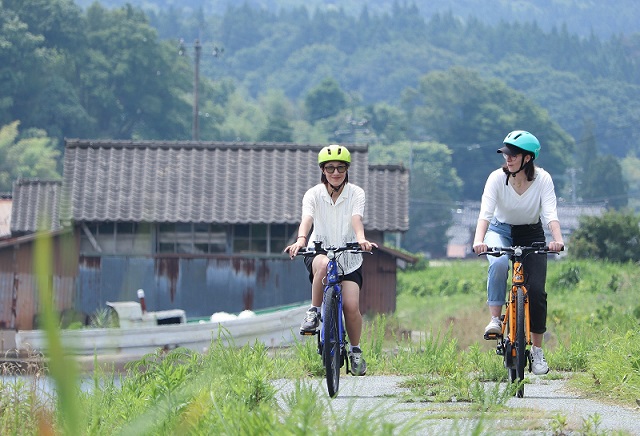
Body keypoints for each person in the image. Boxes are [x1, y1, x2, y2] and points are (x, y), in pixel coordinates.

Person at [472, 130, 564, 375]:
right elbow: (485, 214)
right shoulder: (496, 178)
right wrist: (478, 240)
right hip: (500, 231)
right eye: (506, 154)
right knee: (500, 263)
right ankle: (495, 319)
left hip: (531, 234)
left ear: (527, 158)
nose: (508, 159)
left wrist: (557, 239)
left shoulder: (543, 179)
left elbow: (550, 214)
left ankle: (537, 351)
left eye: (513, 155)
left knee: (536, 291)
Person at [284, 144, 377, 376]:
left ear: (347, 169)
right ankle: (314, 312)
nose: (336, 172)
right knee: (324, 265)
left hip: (349, 255)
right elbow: (307, 218)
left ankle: (355, 352)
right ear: (322, 170)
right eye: (330, 168)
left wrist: (361, 239)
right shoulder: (313, 194)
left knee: (351, 306)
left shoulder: (356, 193)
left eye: (340, 168)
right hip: (319, 250)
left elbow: (356, 218)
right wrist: (301, 240)